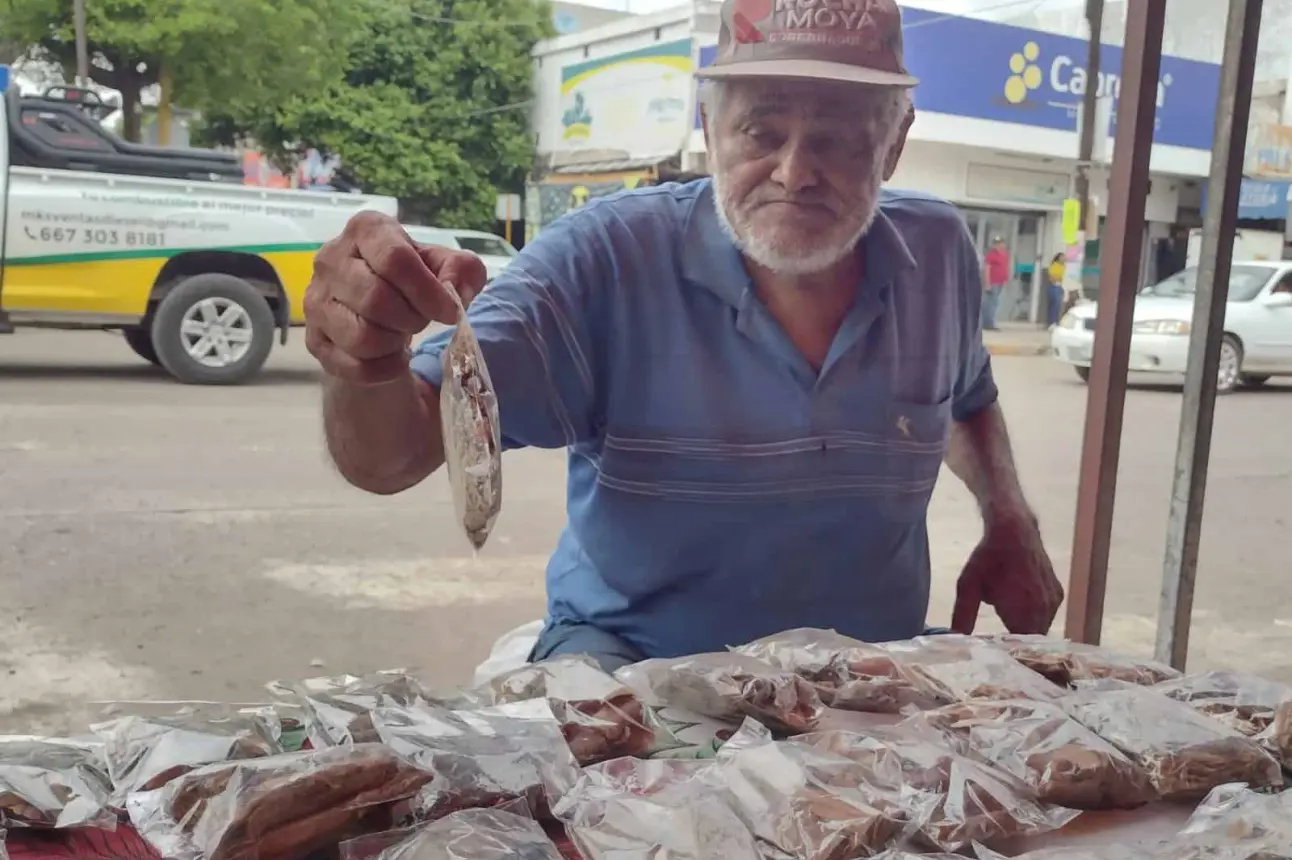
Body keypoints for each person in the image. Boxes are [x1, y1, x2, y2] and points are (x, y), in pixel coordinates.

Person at [303, 0, 1064, 672]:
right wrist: (364, 359)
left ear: (894, 147)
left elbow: (966, 399)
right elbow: (391, 454)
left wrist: (1009, 517)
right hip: (632, 669)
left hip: (867, 683)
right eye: (762, 131)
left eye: (837, 140)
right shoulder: (603, 259)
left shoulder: (936, 252)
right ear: (709, 128)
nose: (795, 171)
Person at [981, 236, 1010, 331]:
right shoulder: (991, 254)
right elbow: (987, 268)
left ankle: (989, 322)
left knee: (994, 302)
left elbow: (1005, 267)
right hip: (993, 282)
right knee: (990, 303)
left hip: (1000, 282)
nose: (999, 245)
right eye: (996, 243)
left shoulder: (1004, 254)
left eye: (1000, 243)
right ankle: (988, 323)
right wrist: (987, 283)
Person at [1046, 253, 1066, 328]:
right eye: (1062, 257)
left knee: (1057, 305)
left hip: (1060, 286)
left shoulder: (1063, 267)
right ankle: (1052, 322)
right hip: (1054, 286)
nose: (1064, 259)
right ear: (1058, 258)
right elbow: (1051, 277)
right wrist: (1057, 279)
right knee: (1054, 305)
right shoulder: (1054, 265)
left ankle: (1055, 321)